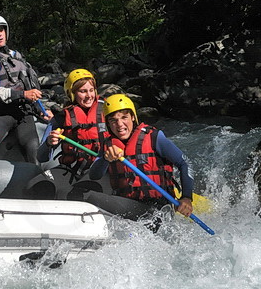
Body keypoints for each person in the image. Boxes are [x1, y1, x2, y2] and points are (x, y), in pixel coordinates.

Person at [74, 93, 195, 223]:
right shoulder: (108, 145)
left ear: (133, 117)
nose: (119, 124)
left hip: (158, 208)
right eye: (113, 120)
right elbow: (94, 175)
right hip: (130, 205)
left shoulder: (154, 137)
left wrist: (186, 197)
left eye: (124, 117)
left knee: (88, 197)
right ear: (108, 123)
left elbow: (185, 163)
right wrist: (105, 159)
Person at [0, 14, 52, 163]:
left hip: (24, 114)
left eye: (1, 30)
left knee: (34, 151)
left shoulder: (17, 57)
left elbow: (31, 88)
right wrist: (22, 94)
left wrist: (42, 110)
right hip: (2, 114)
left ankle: (38, 182)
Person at [37, 68, 107, 182]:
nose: (89, 95)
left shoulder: (107, 111)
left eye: (91, 90)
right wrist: (49, 143)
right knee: (35, 186)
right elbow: (41, 157)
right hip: (70, 169)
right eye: (83, 91)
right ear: (72, 93)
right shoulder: (61, 117)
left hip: (100, 170)